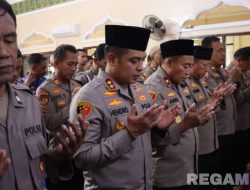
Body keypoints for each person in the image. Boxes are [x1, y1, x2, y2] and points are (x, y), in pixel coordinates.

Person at [70, 25, 180, 190]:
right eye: (134, 60)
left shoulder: (139, 89)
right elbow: (83, 158)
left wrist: (158, 130)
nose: (141, 67)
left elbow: (147, 143)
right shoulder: (88, 97)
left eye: (142, 60)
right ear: (112, 59)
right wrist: (129, 133)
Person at [0, 1, 88, 189]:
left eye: (9, 40)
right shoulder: (43, 90)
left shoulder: (28, 102)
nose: (3, 52)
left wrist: (58, 155)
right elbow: (51, 123)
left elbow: (38, 160)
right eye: (69, 64)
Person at [145, 39, 215, 190]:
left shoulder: (177, 82)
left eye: (190, 66)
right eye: (186, 66)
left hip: (186, 167)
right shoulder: (153, 88)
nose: (189, 72)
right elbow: (153, 138)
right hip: (168, 174)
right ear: (169, 62)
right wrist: (186, 124)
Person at [187, 46, 236, 190]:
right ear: (192, 63)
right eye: (204, 65)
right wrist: (214, 101)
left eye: (208, 65)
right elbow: (193, 114)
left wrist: (218, 98)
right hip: (199, 148)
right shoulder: (185, 83)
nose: (207, 69)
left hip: (211, 144)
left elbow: (210, 107)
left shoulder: (200, 81)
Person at [202, 36, 237, 190]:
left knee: (229, 168)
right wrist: (232, 80)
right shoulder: (205, 75)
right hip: (218, 132)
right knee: (219, 174)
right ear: (208, 53)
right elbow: (216, 99)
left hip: (229, 128)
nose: (223, 54)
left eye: (224, 50)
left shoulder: (222, 71)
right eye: (219, 51)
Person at [228, 47, 250, 174]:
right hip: (238, 124)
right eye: (248, 62)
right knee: (237, 158)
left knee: (243, 156)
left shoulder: (244, 72)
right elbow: (236, 101)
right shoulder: (231, 74)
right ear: (240, 60)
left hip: (245, 121)